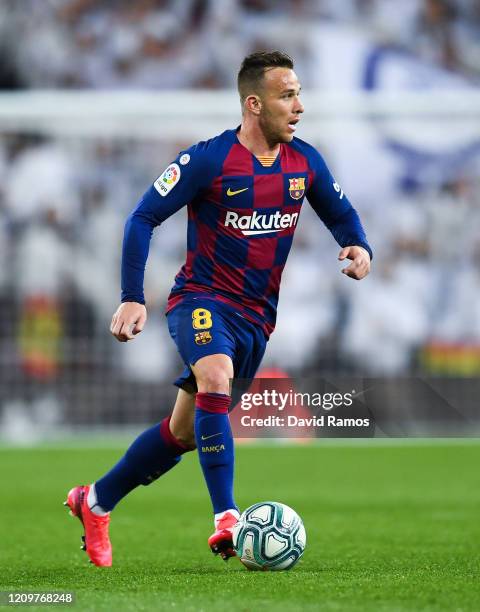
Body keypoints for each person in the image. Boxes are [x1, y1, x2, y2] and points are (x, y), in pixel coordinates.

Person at [65, 50, 372, 567]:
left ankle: (94, 501)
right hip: (200, 300)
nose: (299, 106)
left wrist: (359, 246)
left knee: (183, 433)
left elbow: (342, 213)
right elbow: (142, 217)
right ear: (254, 104)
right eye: (287, 95)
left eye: (298, 93)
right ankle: (227, 517)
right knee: (215, 377)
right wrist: (132, 297)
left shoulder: (305, 163)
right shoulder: (208, 160)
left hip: (257, 319)